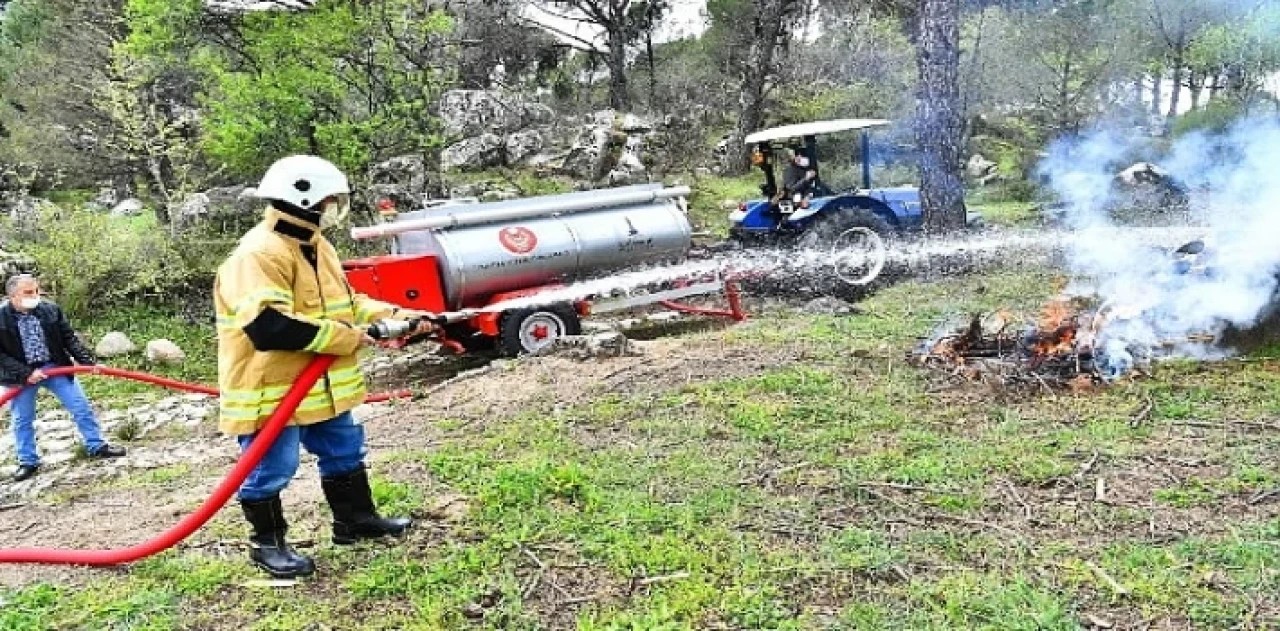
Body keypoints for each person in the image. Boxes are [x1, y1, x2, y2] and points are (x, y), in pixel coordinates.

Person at [214, 155, 437, 579]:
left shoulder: (316, 244)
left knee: (344, 449)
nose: (334, 205)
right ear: (304, 198)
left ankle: (354, 521)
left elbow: (348, 304)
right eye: (330, 199)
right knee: (272, 466)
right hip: (273, 389)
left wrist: (399, 315)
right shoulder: (258, 254)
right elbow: (269, 327)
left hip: (323, 383)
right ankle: (267, 544)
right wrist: (352, 337)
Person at [0, 274, 126, 481]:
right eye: (29, 292)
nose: (36, 296)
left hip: (54, 366)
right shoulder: (1, 318)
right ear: (13, 296)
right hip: (21, 375)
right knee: (22, 419)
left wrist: (88, 363)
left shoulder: (50, 310)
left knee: (80, 406)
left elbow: (69, 338)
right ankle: (28, 462)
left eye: (37, 290)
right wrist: (25, 373)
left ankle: (97, 446)